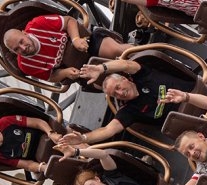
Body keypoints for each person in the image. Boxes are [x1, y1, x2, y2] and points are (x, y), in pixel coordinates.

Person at [58, 58, 197, 146]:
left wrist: (101, 68)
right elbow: (107, 130)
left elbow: (126, 63)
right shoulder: (128, 110)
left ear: (124, 79)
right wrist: (83, 138)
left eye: (118, 87)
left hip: (198, 95)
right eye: (114, 94)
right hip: (191, 126)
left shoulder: (141, 75)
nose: (120, 93)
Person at [1, 13, 126, 85]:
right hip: (80, 67)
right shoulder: (25, 65)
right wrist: (65, 73)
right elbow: (50, 77)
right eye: (17, 49)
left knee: (114, 50)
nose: (23, 48)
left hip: (86, 41)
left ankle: (140, 52)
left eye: (22, 41)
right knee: (107, 83)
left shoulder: (37, 24)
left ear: (25, 33)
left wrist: (76, 39)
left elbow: (68, 21)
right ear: (13, 52)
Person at [0, 114, 64, 173]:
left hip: (49, 137)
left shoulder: (4, 123)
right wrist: (43, 168)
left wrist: (51, 134)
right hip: (46, 157)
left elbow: (38, 123)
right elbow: (28, 165)